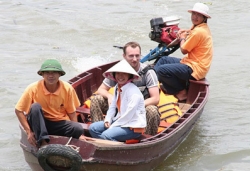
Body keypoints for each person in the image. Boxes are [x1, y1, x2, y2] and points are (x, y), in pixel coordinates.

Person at [90, 41, 160, 135]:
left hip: (140, 110)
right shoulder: (118, 71)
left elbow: (155, 98)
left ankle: (147, 139)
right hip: (119, 107)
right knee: (96, 100)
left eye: (137, 55)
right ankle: (100, 131)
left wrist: (135, 106)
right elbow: (101, 89)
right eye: (131, 56)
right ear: (124, 56)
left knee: (152, 110)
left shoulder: (148, 72)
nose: (134, 59)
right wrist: (110, 96)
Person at [15, 59, 86, 148]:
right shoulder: (33, 88)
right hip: (39, 122)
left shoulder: (67, 88)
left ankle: (63, 141)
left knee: (78, 128)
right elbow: (18, 110)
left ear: (60, 74)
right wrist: (29, 132)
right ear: (42, 75)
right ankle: (43, 142)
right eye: (47, 73)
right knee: (35, 107)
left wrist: (79, 135)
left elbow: (71, 112)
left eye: (54, 73)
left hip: (58, 123)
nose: (51, 76)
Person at [154, 2, 213, 101]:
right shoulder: (200, 27)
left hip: (195, 68)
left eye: (198, 15)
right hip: (192, 63)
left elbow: (184, 50)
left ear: (204, 17)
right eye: (194, 14)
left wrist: (182, 38)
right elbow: (191, 33)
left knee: (161, 70)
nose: (195, 17)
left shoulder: (199, 31)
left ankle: (181, 92)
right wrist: (185, 32)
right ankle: (156, 86)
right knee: (163, 60)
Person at [89, 59, 146, 141]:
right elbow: (112, 106)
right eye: (118, 73)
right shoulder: (117, 87)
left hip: (132, 126)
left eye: (124, 73)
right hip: (119, 121)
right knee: (93, 128)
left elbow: (128, 115)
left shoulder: (133, 92)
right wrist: (108, 119)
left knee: (106, 135)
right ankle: (106, 145)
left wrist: (112, 127)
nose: (120, 76)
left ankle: (112, 147)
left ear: (129, 75)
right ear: (114, 75)